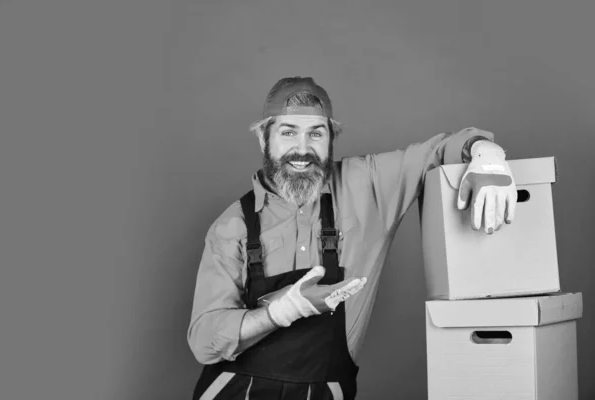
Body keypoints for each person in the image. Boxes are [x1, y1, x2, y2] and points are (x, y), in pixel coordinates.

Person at [187, 77, 517, 400]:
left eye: (316, 134)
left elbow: (438, 150)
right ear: (264, 139)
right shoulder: (232, 226)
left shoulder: (366, 186)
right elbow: (204, 341)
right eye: (288, 133)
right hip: (234, 390)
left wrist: (486, 154)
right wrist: (280, 311)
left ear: (331, 139)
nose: (302, 150)